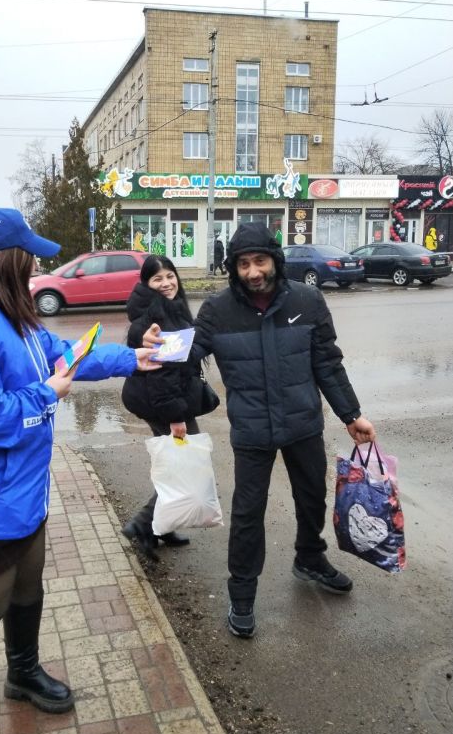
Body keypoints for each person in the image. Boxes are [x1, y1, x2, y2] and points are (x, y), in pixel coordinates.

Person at [0, 208, 159, 734]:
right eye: (29, 259)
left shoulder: (11, 314)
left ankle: (22, 673)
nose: (35, 269)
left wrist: (132, 357)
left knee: (29, 584)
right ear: (7, 261)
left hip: (20, 492)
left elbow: (66, 355)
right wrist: (46, 395)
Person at [143, 222, 375, 639]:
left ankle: (309, 558)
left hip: (303, 423)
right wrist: (155, 344)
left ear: (275, 261)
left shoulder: (308, 300)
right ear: (234, 268)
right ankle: (243, 594)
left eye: (260, 261)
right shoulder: (218, 311)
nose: (253, 272)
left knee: (312, 498)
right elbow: (185, 356)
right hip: (251, 431)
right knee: (248, 516)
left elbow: (328, 363)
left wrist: (351, 414)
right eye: (244, 264)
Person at [121, 254, 219, 561]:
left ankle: (163, 527)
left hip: (164, 399)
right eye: (157, 279)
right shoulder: (156, 317)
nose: (167, 283)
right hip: (162, 403)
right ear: (147, 284)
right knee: (183, 469)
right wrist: (176, 418)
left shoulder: (170, 307)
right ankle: (143, 524)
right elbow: (162, 375)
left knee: (180, 467)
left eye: (170, 275)